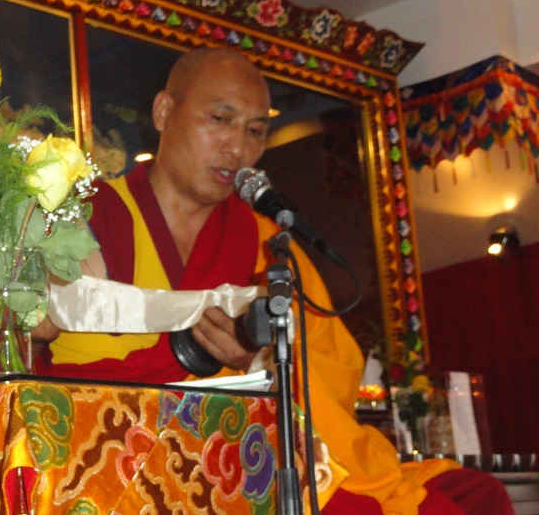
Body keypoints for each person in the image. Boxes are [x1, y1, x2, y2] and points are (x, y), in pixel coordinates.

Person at [33, 48, 512, 514]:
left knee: (475, 495)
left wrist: (258, 363)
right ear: (163, 112)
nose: (238, 148)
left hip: (238, 455)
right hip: (104, 458)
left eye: (256, 130)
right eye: (220, 119)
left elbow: (330, 370)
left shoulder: (264, 242)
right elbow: (23, 350)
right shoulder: (82, 218)